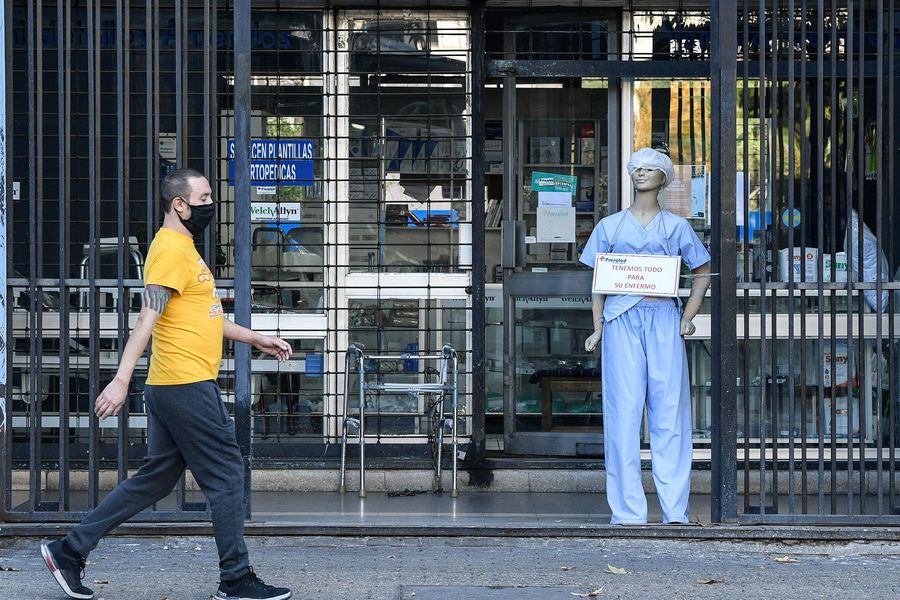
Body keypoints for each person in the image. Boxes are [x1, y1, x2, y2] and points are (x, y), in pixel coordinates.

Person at [40, 168, 293, 600]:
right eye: (205, 196)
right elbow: (147, 318)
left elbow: (204, 318)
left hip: (174, 384)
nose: (211, 204)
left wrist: (255, 338)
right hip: (186, 383)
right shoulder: (170, 250)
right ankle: (235, 579)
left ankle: (69, 550)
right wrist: (120, 380)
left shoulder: (186, 250)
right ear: (180, 203)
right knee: (228, 475)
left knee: (156, 478)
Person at [580, 148, 711, 525]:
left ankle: (675, 510)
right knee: (622, 413)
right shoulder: (610, 226)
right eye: (637, 167)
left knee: (669, 412)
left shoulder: (676, 226)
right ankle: (628, 512)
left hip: (663, 319)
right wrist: (598, 325)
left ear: (664, 177)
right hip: (621, 319)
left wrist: (688, 315)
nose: (641, 172)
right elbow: (598, 282)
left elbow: (702, 270)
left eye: (651, 168)